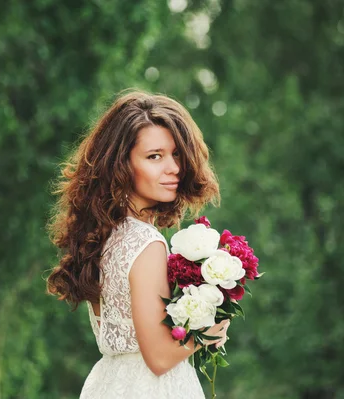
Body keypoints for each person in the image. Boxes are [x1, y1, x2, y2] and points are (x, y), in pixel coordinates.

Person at [46, 90, 230, 398]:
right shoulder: (146, 243)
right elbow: (157, 357)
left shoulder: (108, 236)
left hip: (109, 383)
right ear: (122, 165)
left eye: (177, 154)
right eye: (154, 156)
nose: (172, 167)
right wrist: (206, 333)